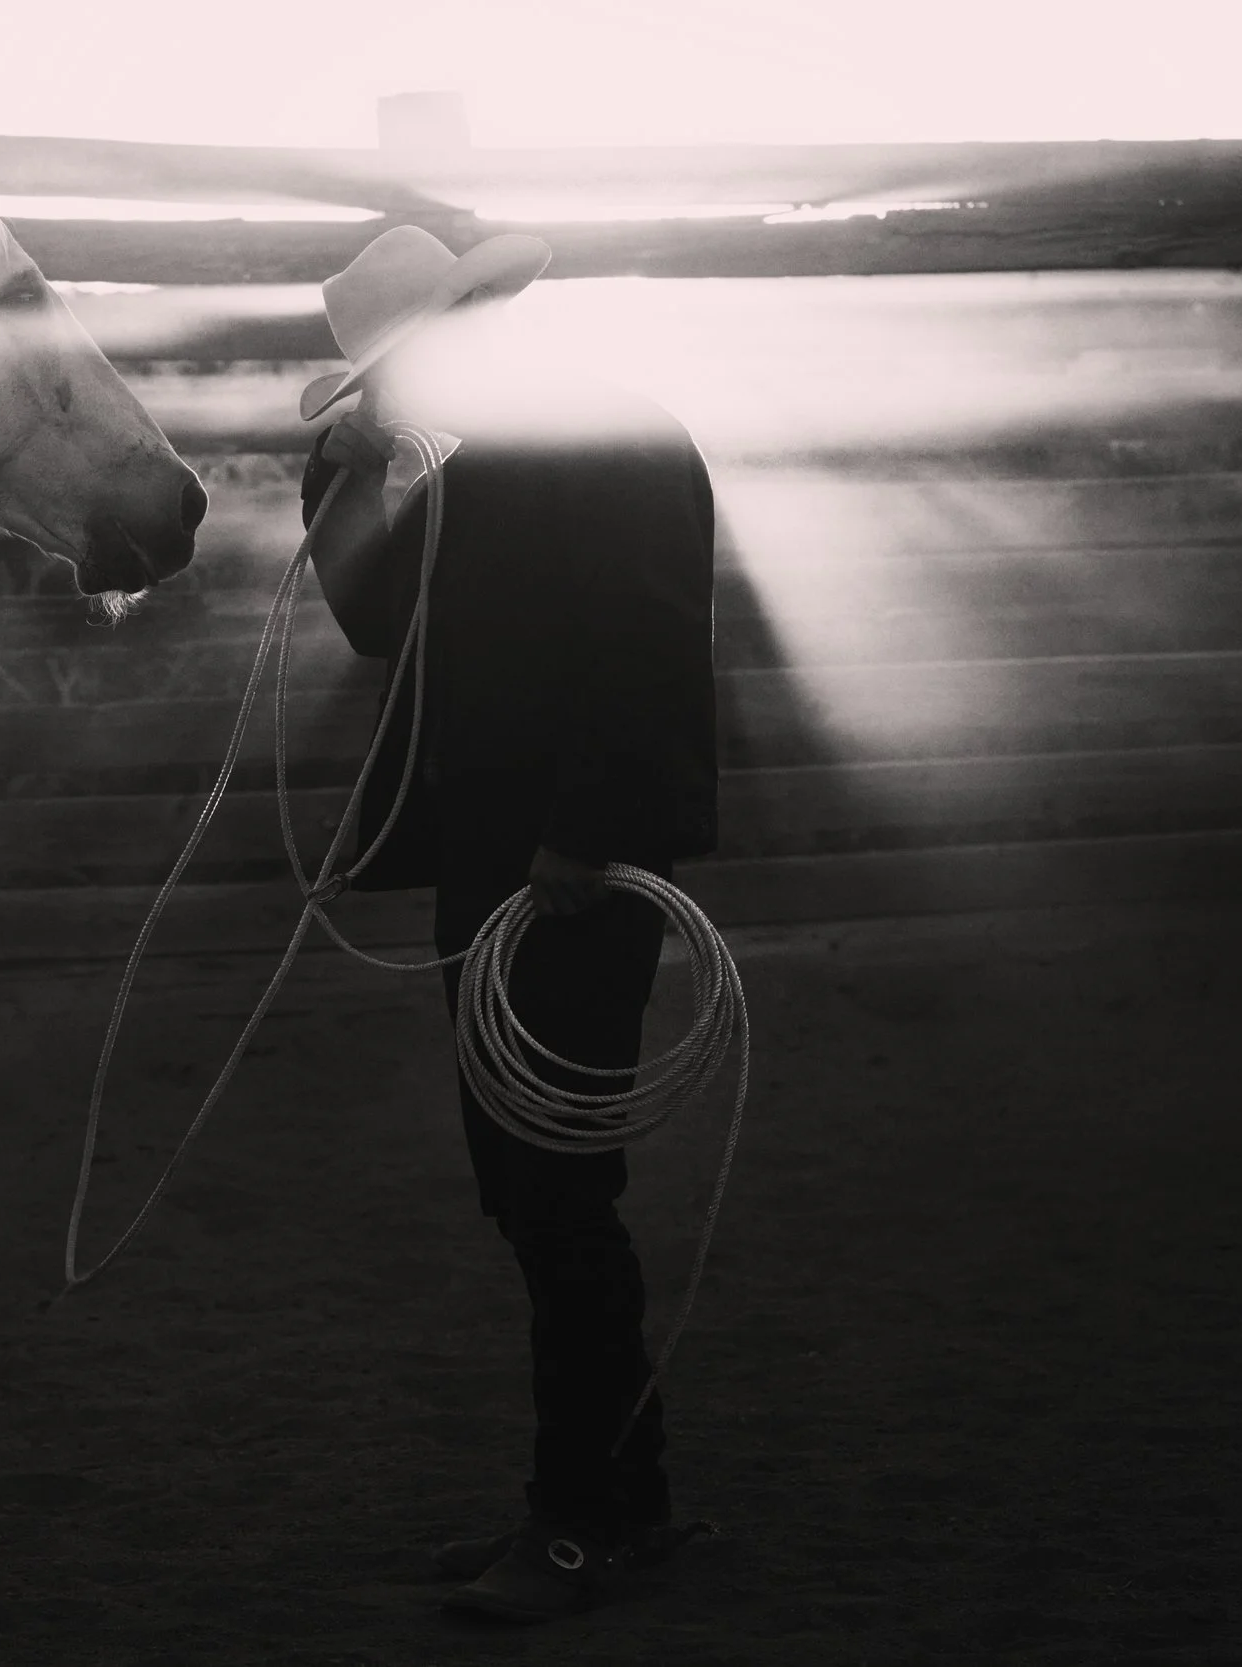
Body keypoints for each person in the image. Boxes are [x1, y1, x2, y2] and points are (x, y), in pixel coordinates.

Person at [297, 225, 720, 1622]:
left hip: (570, 873)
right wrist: (349, 471)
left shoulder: (616, 444)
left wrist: (585, 834)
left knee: (556, 1191)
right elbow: (375, 623)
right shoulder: (459, 462)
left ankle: (582, 1521)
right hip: (493, 865)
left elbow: (648, 646)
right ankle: (621, 1501)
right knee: (531, 1191)